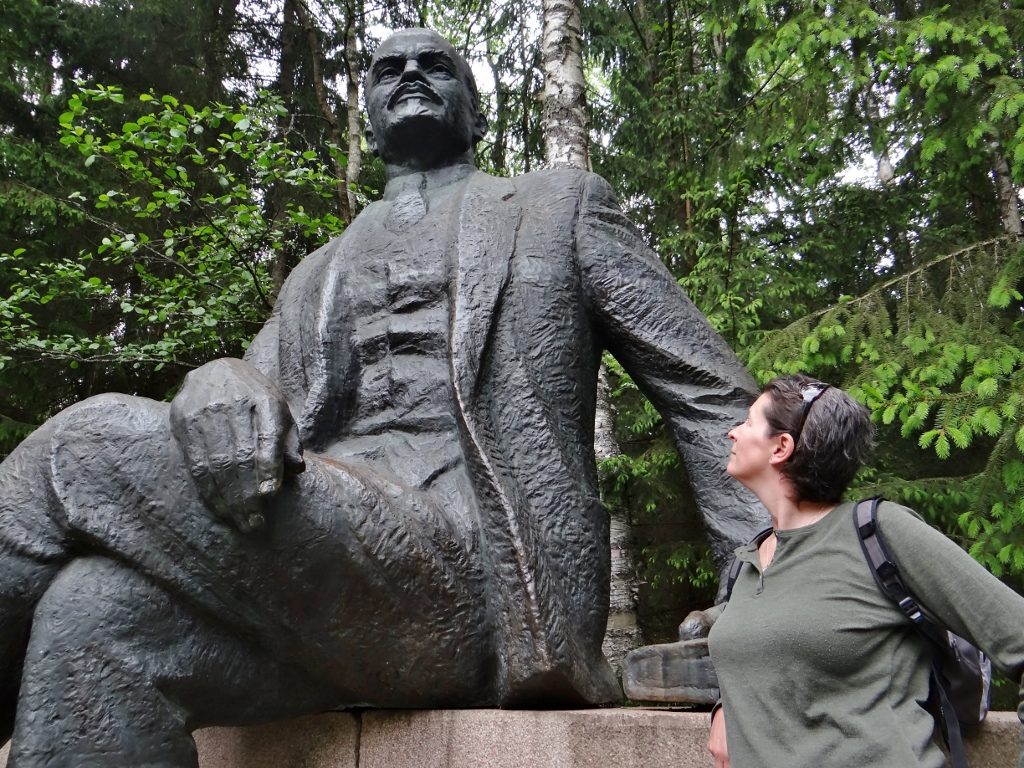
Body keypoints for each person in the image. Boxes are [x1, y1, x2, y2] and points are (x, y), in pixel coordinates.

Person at [0, 28, 766, 766]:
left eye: (435, 64)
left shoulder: (557, 209)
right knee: (91, 614)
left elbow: (704, 389)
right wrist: (217, 378)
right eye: (386, 69)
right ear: (367, 117)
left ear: (476, 107)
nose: (409, 74)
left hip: (479, 571)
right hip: (337, 586)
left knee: (86, 443)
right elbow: (237, 419)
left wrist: (768, 575)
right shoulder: (317, 275)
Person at [706, 374, 1024, 768]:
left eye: (748, 422)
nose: (732, 432)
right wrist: (725, 704)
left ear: (781, 447)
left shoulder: (879, 533)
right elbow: (769, 648)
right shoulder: (747, 563)